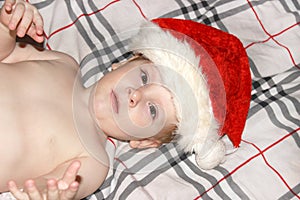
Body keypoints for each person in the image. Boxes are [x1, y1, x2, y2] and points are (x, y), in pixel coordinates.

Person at [0, 0, 178, 199]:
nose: (136, 95)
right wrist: (8, 26)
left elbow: (52, 188)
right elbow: (5, 53)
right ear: (121, 64)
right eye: (144, 77)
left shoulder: (94, 162)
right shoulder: (64, 64)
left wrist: (47, 194)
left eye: (152, 110)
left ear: (144, 141)